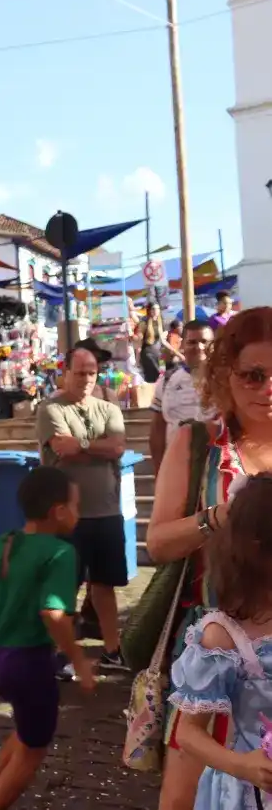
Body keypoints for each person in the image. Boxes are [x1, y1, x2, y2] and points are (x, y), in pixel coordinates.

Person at [145, 307, 272, 810]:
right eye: (253, 375)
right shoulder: (197, 443)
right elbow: (158, 543)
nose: (268, 388)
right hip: (219, 638)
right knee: (184, 793)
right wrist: (220, 517)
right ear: (224, 374)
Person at [0, 466, 97, 810]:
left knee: (29, 723)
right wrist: (79, 661)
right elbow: (53, 613)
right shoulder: (60, 552)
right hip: (29, 663)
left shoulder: (3, 542)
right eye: (76, 506)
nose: (78, 513)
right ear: (59, 511)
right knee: (34, 748)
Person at [167, 472, 272, 809]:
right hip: (249, 794)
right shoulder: (224, 637)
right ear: (257, 550)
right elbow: (188, 732)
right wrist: (241, 765)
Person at [36, 344, 129, 673]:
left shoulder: (109, 408)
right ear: (66, 373)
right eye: (80, 373)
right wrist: (98, 447)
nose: (87, 378)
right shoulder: (50, 408)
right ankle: (61, 654)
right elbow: (63, 447)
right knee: (64, 587)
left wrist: (85, 445)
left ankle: (112, 650)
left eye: (92, 373)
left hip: (106, 510)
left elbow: (117, 447)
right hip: (65, 516)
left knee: (104, 585)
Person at [150, 321, 215, 474]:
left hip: (217, 468)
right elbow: (158, 429)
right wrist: (159, 471)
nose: (199, 347)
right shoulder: (167, 381)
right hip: (177, 468)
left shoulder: (228, 380)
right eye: (192, 342)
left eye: (204, 341)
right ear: (182, 345)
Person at [139, 301, 167, 384]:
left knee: (162, 374)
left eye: (158, 309)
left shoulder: (160, 321)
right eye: (153, 309)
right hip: (148, 352)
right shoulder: (145, 321)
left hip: (159, 352)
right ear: (149, 310)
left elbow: (164, 336)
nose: (156, 311)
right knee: (153, 376)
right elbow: (139, 338)